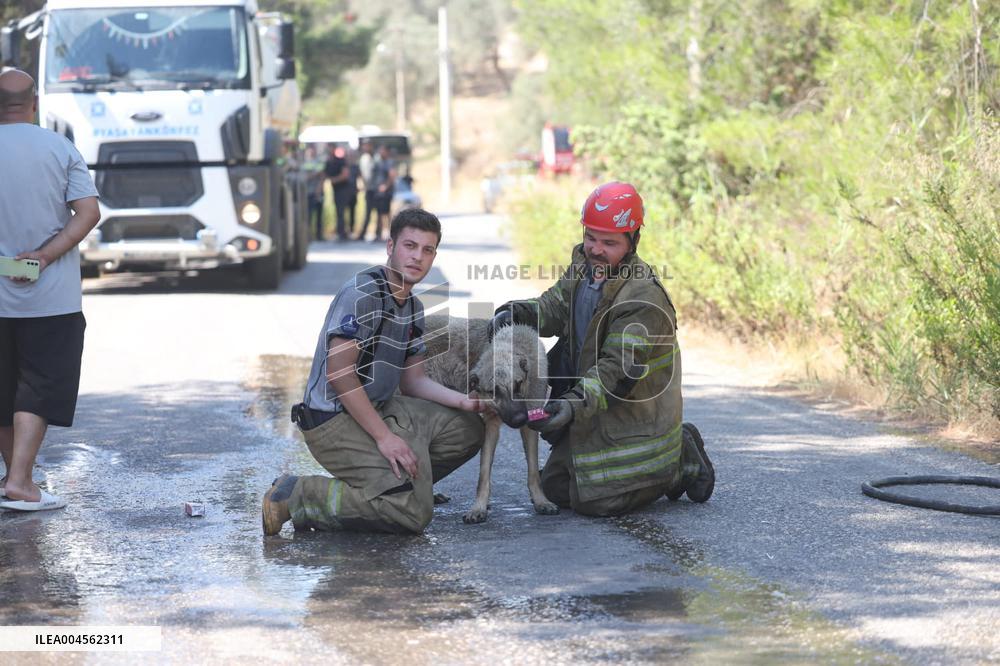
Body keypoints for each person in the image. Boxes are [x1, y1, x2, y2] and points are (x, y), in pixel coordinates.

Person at [488, 182, 714, 517]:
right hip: (598, 406)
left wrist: (569, 407)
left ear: (633, 241)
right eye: (591, 237)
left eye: (609, 242)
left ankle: (678, 458)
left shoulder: (642, 297)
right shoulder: (585, 264)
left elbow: (615, 372)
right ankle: (652, 459)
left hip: (631, 410)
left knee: (596, 502)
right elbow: (554, 308)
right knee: (556, 490)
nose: (596, 249)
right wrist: (516, 313)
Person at [262, 208, 487, 535]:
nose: (417, 257)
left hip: (378, 408)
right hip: (332, 420)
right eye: (409, 246)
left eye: (427, 250)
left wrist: (466, 402)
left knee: (468, 428)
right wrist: (385, 439)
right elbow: (340, 376)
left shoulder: (413, 306)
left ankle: (391, 485)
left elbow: (414, 382)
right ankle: (297, 494)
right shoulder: (364, 294)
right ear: (390, 246)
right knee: (413, 514)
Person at [0, 69, 101, 511]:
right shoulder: (60, 149)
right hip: (50, 300)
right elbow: (88, 213)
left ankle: (13, 476)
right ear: (34, 103)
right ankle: (21, 481)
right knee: (37, 387)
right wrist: (43, 256)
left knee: (3, 389)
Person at [324, 146, 354, 241]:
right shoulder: (329, 162)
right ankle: (341, 232)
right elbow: (324, 174)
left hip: (344, 189)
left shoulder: (340, 161)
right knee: (339, 212)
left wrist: (333, 180)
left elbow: (345, 175)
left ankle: (343, 233)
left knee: (341, 211)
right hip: (336, 190)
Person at [369, 145, 396, 242]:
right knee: (379, 213)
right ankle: (378, 233)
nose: (381, 153)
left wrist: (385, 186)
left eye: (383, 151)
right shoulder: (378, 162)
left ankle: (390, 233)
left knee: (386, 213)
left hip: (386, 193)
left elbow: (392, 176)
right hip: (377, 192)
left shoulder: (389, 162)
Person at [303, 145, 326, 241]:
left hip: (316, 192)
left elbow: (322, 176)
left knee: (319, 215)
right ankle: (308, 235)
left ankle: (319, 235)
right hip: (306, 192)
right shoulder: (303, 162)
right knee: (308, 216)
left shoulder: (319, 162)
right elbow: (304, 177)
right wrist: (314, 174)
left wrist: (319, 190)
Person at [356, 140, 376, 240]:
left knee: (378, 212)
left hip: (374, 189)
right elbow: (364, 175)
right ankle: (363, 232)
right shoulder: (365, 158)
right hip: (369, 189)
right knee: (368, 212)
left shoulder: (374, 158)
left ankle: (378, 232)